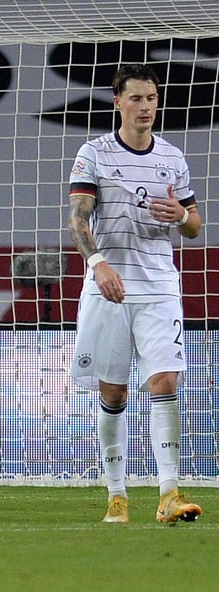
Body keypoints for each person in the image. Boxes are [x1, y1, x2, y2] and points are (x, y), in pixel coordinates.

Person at [68, 63, 203, 524]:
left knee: (165, 380)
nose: (145, 107)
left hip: (159, 285)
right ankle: (117, 494)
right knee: (115, 392)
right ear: (118, 103)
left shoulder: (172, 156)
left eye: (151, 99)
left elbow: (194, 225)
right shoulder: (95, 153)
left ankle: (169, 493)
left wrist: (179, 217)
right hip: (111, 287)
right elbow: (79, 219)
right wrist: (96, 262)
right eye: (136, 99)